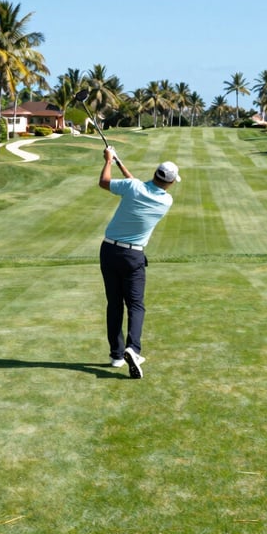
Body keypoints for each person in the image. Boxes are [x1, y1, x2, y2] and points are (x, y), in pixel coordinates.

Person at [98, 146, 180, 378]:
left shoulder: (133, 188)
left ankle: (116, 355)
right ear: (171, 183)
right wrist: (118, 163)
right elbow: (138, 187)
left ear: (155, 173)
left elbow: (105, 182)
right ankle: (133, 349)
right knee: (135, 305)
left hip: (108, 250)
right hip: (133, 256)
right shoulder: (166, 201)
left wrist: (107, 161)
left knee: (114, 304)